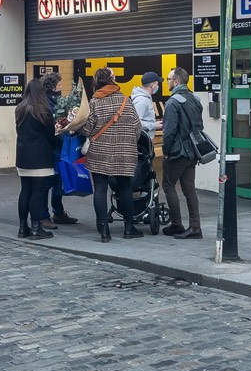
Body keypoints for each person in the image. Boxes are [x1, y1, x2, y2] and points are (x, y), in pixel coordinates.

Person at [82, 67, 144, 242]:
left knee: (100, 189)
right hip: (124, 153)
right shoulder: (126, 100)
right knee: (125, 188)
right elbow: (137, 128)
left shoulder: (95, 102)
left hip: (99, 152)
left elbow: (87, 129)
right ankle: (129, 228)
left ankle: (104, 232)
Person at [161, 67, 204, 239]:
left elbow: (169, 131)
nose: (167, 82)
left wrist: (166, 151)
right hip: (193, 151)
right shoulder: (194, 98)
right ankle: (195, 227)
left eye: (169, 79)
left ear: (176, 82)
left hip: (178, 153)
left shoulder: (173, 102)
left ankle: (176, 224)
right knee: (189, 190)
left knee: (169, 186)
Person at [14, 78, 58, 240]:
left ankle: (22, 227)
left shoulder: (20, 109)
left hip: (23, 155)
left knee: (25, 191)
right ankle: (35, 227)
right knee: (38, 192)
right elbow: (50, 134)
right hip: (40, 156)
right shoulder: (43, 110)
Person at [37, 73, 78, 230]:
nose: (61, 88)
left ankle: (58, 212)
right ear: (52, 86)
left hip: (60, 148)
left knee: (58, 180)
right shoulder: (46, 103)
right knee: (48, 182)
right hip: (51, 148)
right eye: (59, 85)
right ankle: (43, 215)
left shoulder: (55, 101)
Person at [132, 72, 161, 137]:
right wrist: (154, 125)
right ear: (152, 85)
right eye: (157, 84)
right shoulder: (141, 101)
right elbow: (136, 122)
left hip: (146, 140)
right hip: (142, 141)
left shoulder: (147, 98)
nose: (157, 86)